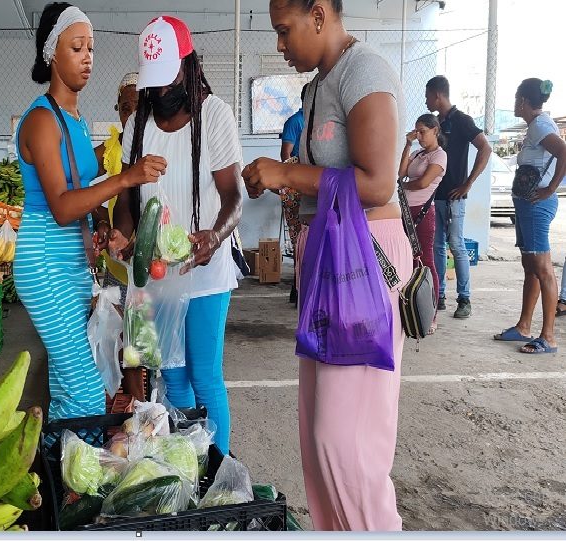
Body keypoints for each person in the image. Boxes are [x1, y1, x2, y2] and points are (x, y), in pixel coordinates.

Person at [242, 0, 409, 531]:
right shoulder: (319, 85)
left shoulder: (365, 72)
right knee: (318, 439)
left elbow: (380, 183)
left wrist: (288, 174)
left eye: (284, 30)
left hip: (362, 259)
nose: (280, 44)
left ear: (319, 15)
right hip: (330, 261)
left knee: (347, 444)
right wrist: (284, 175)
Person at [13, 2, 165, 421]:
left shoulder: (74, 119)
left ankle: (59, 476)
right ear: (51, 54)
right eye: (76, 47)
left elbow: (81, 190)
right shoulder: (43, 120)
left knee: (68, 385)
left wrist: (99, 223)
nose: (87, 58)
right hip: (45, 264)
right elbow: (61, 207)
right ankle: (67, 469)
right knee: (83, 388)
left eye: (91, 48)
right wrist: (125, 178)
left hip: (73, 263)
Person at [109, 15, 243, 455]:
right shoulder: (138, 124)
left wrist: (215, 237)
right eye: (155, 82)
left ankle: (218, 469)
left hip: (203, 272)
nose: (162, 91)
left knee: (205, 376)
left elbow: (233, 198)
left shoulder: (216, 116)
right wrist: (121, 234)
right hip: (155, 273)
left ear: (187, 65)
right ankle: (191, 462)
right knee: (173, 375)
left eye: (169, 79)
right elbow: (128, 199)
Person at [493, 79, 565, 354]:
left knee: (543, 268)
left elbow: (563, 151)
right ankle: (524, 326)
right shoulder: (536, 125)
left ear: (523, 100)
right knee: (531, 266)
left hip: (536, 205)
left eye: (515, 98)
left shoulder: (540, 125)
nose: (514, 104)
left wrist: (550, 188)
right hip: (527, 203)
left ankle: (548, 337)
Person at [94, 72, 145, 402]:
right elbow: (84, 187)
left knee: (144, 338)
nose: (132, 113)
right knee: (122, 335)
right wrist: (100, 222)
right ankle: (127, 403)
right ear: (118, 110)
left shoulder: (160, 142)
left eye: (139, 105)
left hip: (154, 263)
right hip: (118, 261)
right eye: (125, 107)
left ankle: (144, 402)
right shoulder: (109, 150)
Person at [425, 75, 492, 319]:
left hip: (455, 196)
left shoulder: (462, 121)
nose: (425, 101)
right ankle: (439, 294)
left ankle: (464, 299)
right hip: (436, 195)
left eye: (427, 96)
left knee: (457, 245)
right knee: (438, 246)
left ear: (437, 95)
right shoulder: (436, 124)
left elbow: (485, 147)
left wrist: (468, 183)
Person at [398, 113, 447, 334]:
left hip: (423, 214)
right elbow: (400, 173)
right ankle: (410, 308)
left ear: (435, 130)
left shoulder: (439, 156)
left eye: (423, 132)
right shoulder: (418, 153)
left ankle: (431, 313)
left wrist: (400, 186)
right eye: (416, 132)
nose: (419, 136)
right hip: (405, 212)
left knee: (426, 261)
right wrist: (407, 145)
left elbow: (423, 183)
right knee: (406, 261)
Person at [280, 84, 308, 304]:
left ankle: (303, 286)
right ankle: (299, 287)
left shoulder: (321, 121)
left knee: (306, 237)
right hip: (297, 185)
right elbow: (286, 154)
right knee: (300, 237)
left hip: (312, 184)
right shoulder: (296, 121)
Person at [280, 84, 307, 161]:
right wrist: (290, 172)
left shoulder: (318, 119)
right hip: (300, 169)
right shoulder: (294, 121)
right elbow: (285, 153)